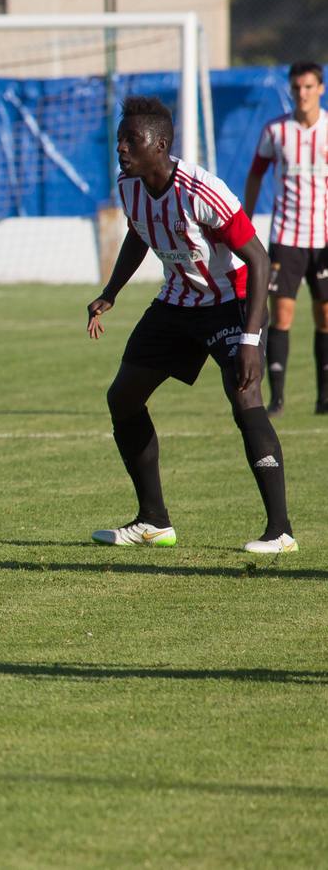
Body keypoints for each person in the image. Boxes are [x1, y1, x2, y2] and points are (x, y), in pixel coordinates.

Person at [86, 96, 295, 554]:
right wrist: (111, 292)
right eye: (119, 139)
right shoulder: (130, 186)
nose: (121, 148)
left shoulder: (202, 191)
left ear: (160, 144)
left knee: (245, 401)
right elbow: (138, 235)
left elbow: (258, 261)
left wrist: (250, 339)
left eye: (131, 140)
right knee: (123, 397)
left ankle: (280, 531)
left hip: (228, 302)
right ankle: (153, 521)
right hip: (177, 303)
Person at [243, 61, 328, 415]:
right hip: (286, 235)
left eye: (308, 87)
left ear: (320, 89)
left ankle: (324, 399)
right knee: (281, 314)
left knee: (325, 315)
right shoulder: (275, 131)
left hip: (324, 238)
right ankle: (277, 400)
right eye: (296, 87)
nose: (302, 93)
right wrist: (244, 222)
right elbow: (256, 175)